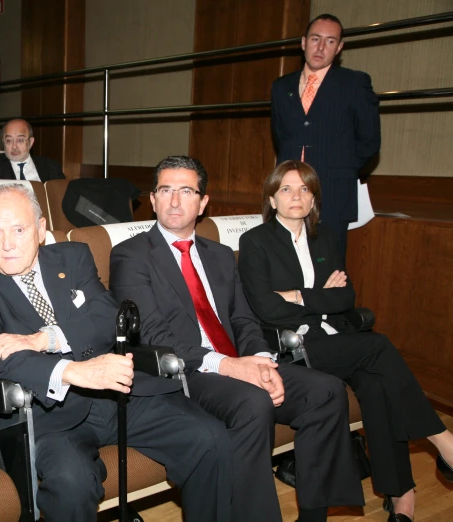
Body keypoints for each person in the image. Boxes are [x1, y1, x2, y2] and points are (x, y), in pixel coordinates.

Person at [0, 184, 233, 522]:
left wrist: (45, 339)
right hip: (48, 415)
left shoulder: (73, 256)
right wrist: (73, 372)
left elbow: (107, 319)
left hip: (118, 394)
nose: (6, 244)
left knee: (210, 438)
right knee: (72, 483)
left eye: (19, 230)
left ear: (40, 230)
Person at [109, 155, 364, 522]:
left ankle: (313, 516)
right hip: (186, 372)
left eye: (186, 191)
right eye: (165, 191)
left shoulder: (220, 255)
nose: (175, 201)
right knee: (252, 401)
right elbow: (152, 334)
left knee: (326, 392)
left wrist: (261, 361)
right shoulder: (131, 255)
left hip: (239, 362)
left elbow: (244, 318)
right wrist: (231, 366)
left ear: (203, 202)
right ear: (152, 200)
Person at [238, 160, 453, 522]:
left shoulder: (326, 238)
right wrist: (317, 296)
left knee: (375, 385)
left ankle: (401, 493)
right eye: (287, 189)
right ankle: (443, 440)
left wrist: (297, 296)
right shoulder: (255, 241)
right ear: (272, 200)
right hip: (290, 349)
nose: (297, 196)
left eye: (305, 189)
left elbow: (345, 298)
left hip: (334, 341)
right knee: (378, 345)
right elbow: (266, 308)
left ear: (313, 200)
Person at [270, 13, 380, 256]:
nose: (320, 47)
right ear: (303, 42)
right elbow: (281, 137)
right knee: (286, 263)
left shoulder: (354, 83)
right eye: (315, 39)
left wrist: (340, 168)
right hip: (287, 193)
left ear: (339, 48)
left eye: (330, 41)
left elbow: (369, 141)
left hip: (332, 192)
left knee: (329, 270)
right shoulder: (281, 87)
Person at [0, 119, 65, 182]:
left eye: (20, 140)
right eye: (9, 141)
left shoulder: (51, 167)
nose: (14, 146)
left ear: (31, 142)